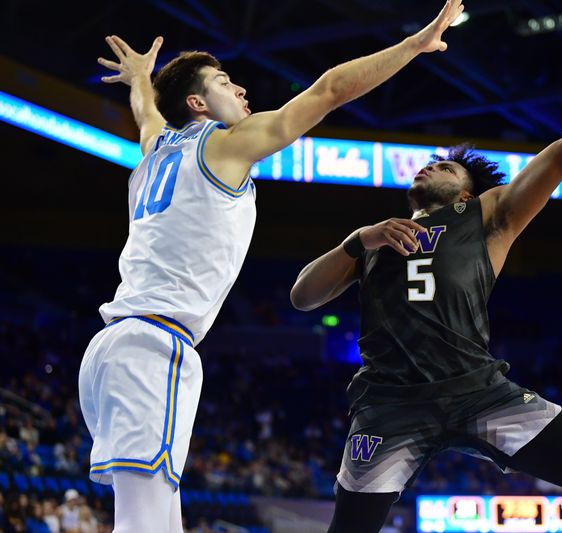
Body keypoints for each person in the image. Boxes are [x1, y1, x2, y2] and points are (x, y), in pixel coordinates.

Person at [77, 2, 465, 532]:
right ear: (197, 103)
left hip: (111, 351)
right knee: (144, 527)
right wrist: (412, 47)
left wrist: (142, 80)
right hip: (153, 347)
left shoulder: (151, 155)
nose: (239, 91)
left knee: (161, 523)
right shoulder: (225, 146)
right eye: (224, 82)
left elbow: (148, 116)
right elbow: (328, 90)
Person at [291, 24, 562, 533]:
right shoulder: (377, 238)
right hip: (390, 404)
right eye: (429, 164)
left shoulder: (488, 217)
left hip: (478, 391)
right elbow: (303, 296)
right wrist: (358, 239)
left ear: (465, 195)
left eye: (446, 166)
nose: (433, 165)